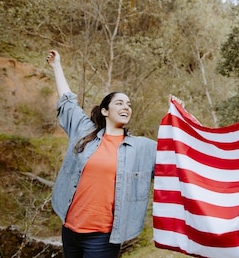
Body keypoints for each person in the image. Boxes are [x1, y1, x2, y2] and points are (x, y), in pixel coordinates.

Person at [46, 50, 157, 258]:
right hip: (70, 229)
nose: (126, 107)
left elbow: (174, 157)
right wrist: (57, 66)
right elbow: (68, 102)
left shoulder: (142, 148)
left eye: (129, 104)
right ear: (105, 111)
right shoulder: (84, 131)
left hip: (102, 238)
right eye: (120, 102)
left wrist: (179, 118)